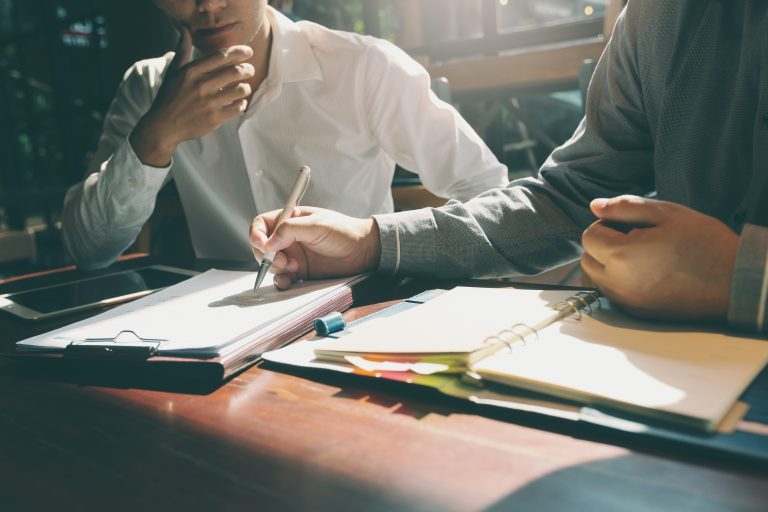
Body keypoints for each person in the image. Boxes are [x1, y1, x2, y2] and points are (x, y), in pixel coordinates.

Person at [250, 0, 768, 335]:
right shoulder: (659, 18)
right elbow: (569, 198)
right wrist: (371, 242)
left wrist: (745, 279)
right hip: (681, 383)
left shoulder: (363, 66)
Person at [62, 0, 507, 269]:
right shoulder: (147, 88)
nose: (209, 5)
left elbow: (489, 193)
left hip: (357, 315)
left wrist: (381, 246)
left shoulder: (363, 68)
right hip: (217, 333)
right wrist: (155, 138)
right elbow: (89, 250)